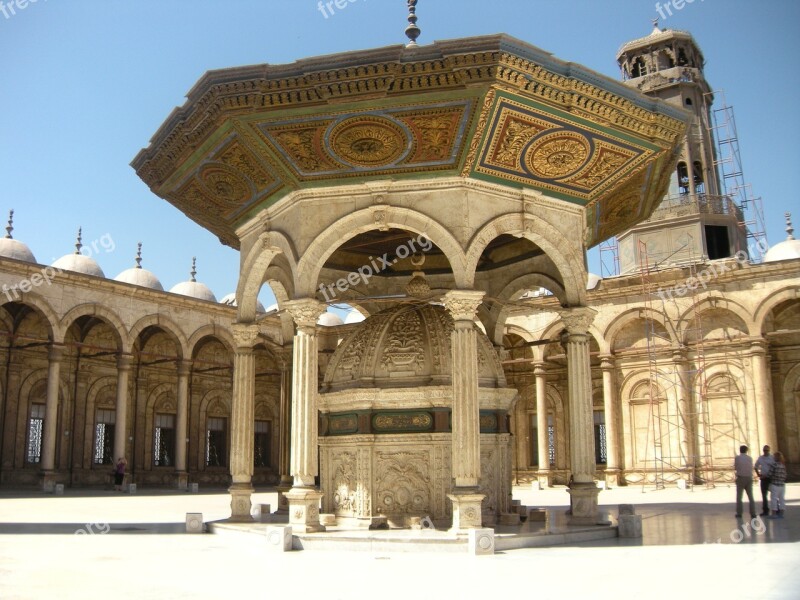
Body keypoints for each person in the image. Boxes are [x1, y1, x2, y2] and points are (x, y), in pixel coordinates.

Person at [734, 445, 757, 519]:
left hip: (741, 478)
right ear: (746, 451)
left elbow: (736, 467)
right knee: (751, 497)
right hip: (749, 478)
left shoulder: (737, 458)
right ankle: (753, 513)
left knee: (739, 497)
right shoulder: (750, 458)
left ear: (740, 450)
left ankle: (739, 513)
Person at [754, 445, 775, 516]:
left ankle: (776, 509)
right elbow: (755, 466)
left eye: (767, 450)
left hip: (771, 478)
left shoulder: (772, 458)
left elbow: (775, 467)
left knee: (774, 494)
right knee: (764, 495)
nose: (765, 452)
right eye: (764, 450)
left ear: (769, 451)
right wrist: (758, 474)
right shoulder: (760, 458)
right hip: (763, 478)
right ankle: (765, 510)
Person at [768, 451, 787, 519]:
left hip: (775, 484)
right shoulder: (783, 465)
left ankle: (774, 513)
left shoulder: (774, 465)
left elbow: (769, 474)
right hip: (782, 484)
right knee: (782, 499)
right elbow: (785, 475)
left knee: (774, 499)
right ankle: (781, 513)